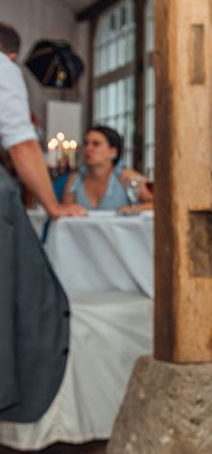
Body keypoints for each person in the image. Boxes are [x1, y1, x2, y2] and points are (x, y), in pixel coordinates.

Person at [0, 22, 85, 423]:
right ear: (13, 56)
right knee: (27, 297)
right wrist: (53, 205)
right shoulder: (4, 69)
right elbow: (20, 141)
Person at [62, 125, 153, 213]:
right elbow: (66, 213)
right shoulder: (75, 178)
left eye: (96, 144)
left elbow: (155, 204)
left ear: (113, 152)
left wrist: (134, 209)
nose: (88, 148)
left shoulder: (126, 176)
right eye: (86, 143)